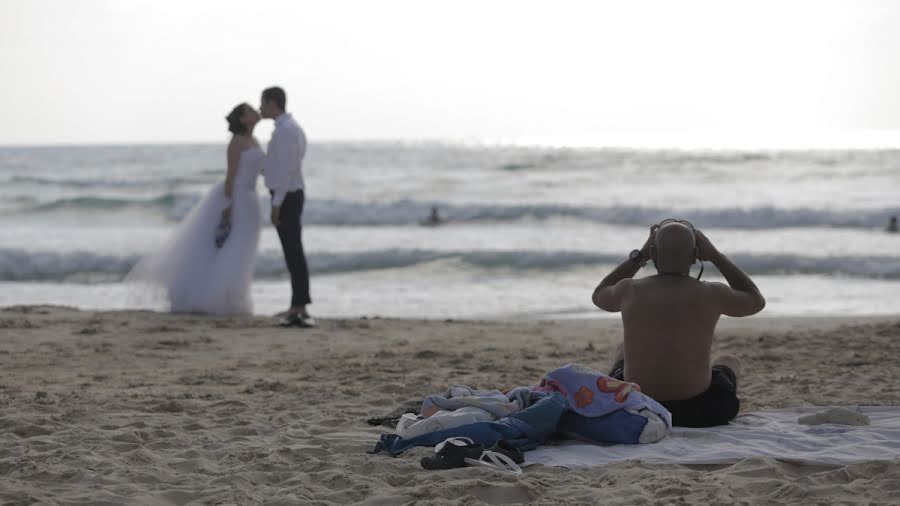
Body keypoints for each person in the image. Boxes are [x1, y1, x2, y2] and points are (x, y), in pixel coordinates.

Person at [591, 220, 765, 427]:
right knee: (729, 361)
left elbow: (600, 293)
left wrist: (640, 256)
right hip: (697, 411)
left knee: (622, 351)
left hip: (637, 405)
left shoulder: (629, 290)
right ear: (694, 256)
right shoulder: (712, 293)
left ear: (654, 253)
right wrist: (716, 256)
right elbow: (755, 300)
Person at [128, 103, 263, 314]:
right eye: (251, 110)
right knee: (232, 245)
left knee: (245, 247)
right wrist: (229, 205)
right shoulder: (236, 142)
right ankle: (218, 297)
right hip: (238, 196)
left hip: (251, 196)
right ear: (244, 119)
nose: (256, 111)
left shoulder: (254, 141)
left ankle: (235, 295)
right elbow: (231, 175)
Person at [259, 86, 315, 328]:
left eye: (263, 103)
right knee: (292, 252)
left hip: (288, 197)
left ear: (273, 103)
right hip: (289, 195)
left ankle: (299, 308)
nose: (260, 108)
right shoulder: (287, 129)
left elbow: (287, 171)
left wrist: (276, 203)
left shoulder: (287, 131)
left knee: (294, 253)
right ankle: (296, 305)